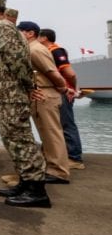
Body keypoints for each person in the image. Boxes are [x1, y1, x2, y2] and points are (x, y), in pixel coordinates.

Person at [0, 0, 50, 207]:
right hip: (3, 94)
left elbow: (17, 59)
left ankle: (37, 191)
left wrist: (28, 86)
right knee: (13, 140)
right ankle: (26, 182)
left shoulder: (2, 29)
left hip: (9, 94)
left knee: (20, 140)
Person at [17, 21, 72, 184]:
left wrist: (63, 88)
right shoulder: (30, 49)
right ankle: (51, 166)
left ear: (30, 33)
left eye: (20, 31)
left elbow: (51, 72)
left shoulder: (35, 50)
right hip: (39, 93)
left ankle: (59, 172)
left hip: (45, 93)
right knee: (46, 134)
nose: (17, 34)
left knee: (52, 133)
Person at [38, 28, 85, 170]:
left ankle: (74, 158)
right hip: (57, 91)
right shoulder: (47, 52)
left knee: (66, 124)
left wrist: (73, 89)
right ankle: (61, 155)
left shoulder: (55, 51)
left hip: (64, 92)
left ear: (44, 38)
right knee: (57, 125)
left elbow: (69, 73)